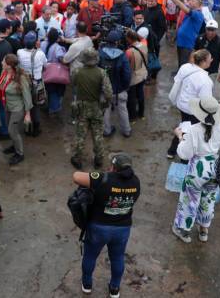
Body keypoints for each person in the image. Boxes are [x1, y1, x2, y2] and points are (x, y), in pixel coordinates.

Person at [72, 153, 140, 298]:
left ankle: (87, 285)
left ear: (114, 168)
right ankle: (114, 289)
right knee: (117, 258)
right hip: (122, 229)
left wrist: (100, 175)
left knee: (90, 255)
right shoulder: (136, 182)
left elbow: (76, 176)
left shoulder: (104, 179)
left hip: (99, 228)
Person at [171, 97, 220, 243]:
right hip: (214, 169)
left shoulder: (193, 130)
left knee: (189, 200)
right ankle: (203, 230)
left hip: (197, 170)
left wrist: (180, 136)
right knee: (208, 199)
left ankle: (183, 231)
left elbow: (184, 153)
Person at [167, 50, 214, 159]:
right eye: (209, 59)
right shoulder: (205, 80)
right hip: (194, 110)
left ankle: (172, 150)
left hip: (182, 104)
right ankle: (184, 155)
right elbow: (205, 101)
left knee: (184, 126)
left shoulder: (185, 67)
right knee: (190, 132)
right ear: (203, 61)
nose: (211, 60)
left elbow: (177, 80)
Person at [70, 48, 112, 169]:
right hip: (96, 107)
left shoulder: (77, 71)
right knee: (98, 135)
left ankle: (77, 159)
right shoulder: (101, 72)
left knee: (80, 135)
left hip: (81, 107)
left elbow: (73, 84)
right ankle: (99, 160)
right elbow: (109, 93)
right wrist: (105, 105)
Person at [0, 54, 32, 165]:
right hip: (7, 106)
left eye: (3, 62)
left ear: (9, 65)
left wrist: (27, 113)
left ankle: (19, 153)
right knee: (10, 129)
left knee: (13, 131)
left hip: (17, 109)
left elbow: (27, 96)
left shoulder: (20, 78)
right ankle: (14, 146)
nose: (1, 63)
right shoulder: (4, 73)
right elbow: (0, 89)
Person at [98, 30, 132, 138]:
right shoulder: (122, 56)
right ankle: (126, 131)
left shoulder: (100, 53)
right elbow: (127, 74)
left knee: (105, 110)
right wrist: (125, 87)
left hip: (104, 89)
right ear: (117, 42)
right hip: (119, 89)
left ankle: (106, 130)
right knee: (122, 109)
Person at [17, 32, 47, 136]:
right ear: (35, 42)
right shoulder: (40, 53)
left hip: (25, 82)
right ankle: (36, 129)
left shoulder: (19, 52)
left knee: (26, 105)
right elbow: (45, 65)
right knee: (36, 106)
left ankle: (27, 128)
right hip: (37, 83)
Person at [168, 0, 204, 68]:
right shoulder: (192, 12)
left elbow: (181, 6)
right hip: (181, 41)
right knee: (180, 61)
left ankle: (182, 78)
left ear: (199, 5)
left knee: (184, 64)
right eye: (191, 0)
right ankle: (179, 73)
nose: (190, 1)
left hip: (187, 44)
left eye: (193, 1)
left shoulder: (198, 14)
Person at [194, 20, 220, 97]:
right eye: (208, 29)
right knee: (196, 88)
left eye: (212, 30)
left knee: (208, 90)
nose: (210, 32)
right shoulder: (200, 38)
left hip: (212, 72)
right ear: (205, 29)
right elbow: (194, 53)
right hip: (199, 70)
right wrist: (191, 66)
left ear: (216, 30)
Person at [41, 28, 68, 114]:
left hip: (46, 70)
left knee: (49, 90)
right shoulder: (58, 48)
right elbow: (62, 59)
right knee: (56, 90)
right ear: (57, 38)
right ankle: (54, 108)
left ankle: (50, 106)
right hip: (57, 72)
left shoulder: (43, 44)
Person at [125, 30, 148, 121]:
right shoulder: (144, 44)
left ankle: (132, 117)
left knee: (132, 98)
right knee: (141, 94)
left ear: (129, 39)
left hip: (134, 76)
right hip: (143, 73)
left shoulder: (129, 51)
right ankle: (141, 114)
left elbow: (126, 66)